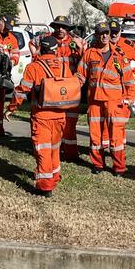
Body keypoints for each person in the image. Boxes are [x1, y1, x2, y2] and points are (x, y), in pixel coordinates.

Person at [5, 36, 68, 197]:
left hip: (42, 116)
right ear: (56, 49)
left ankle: (45, 187)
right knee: (54, 149)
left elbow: (22, 90)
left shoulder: (34, 67)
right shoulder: (63, 66)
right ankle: (54, 177)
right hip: (60, 115)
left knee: (43, 150)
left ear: (41, 48)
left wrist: (11, 108)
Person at [76, 22, 135, 176]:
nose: (104, 36)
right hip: (95, 101)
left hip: (114, 103)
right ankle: (98, 164)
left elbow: (129, 81)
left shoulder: (119, 55)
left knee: (116, 137)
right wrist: (67, 87)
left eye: (107, 33)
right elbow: (80, 75)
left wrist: (128, 100)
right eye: (101, 33)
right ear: (96, 35)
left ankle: (119, 167)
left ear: (110, 34)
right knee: (95, 135)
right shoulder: (89, 53)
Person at [98, 19, 135, 151]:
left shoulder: (127, 44)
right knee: (103, 121)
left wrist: (133, 75)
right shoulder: (100, 44)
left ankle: (119, 147)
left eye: (116, 32)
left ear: (120, 32)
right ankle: (104, 147)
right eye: (111, 32)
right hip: (105, 90)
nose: (114, 35)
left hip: (122, 90)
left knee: (119, 122)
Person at [49, 15, 85, 162]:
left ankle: (70, 154)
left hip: (70, 88)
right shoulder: (48, 40)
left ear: (68, 29)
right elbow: (33, 45)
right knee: (56, 121)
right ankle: (55, 152)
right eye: (58, 26)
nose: (60, 29)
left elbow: (85, 61)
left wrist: (80, 48)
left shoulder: (76, 42)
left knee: (70, 121)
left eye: (63, 27)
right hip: (54, 87)